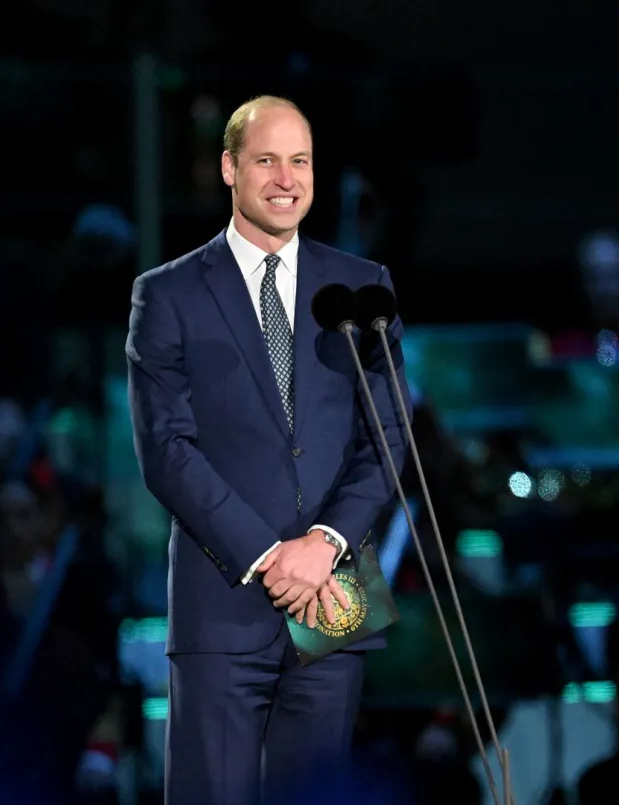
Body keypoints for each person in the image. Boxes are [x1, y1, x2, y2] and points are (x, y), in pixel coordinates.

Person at [126, 95, 409, 805]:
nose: (286, 179)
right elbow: (166, 449)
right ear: (229, 168)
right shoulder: (167, 294)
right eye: (266, 161)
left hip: (334, 593)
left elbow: (389, 435)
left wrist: (325, 541)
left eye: (300, 161)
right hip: (224, 601)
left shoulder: (362, 287)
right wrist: (269, 553)